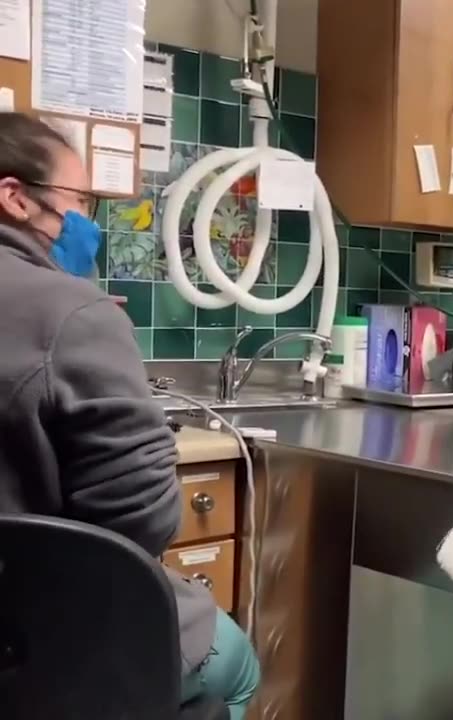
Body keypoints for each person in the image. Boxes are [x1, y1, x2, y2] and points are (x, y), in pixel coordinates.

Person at [0, 112, 261, 718]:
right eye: (79, 200)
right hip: (45, 639)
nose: (88, 222)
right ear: (14, 198)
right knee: (236, 661)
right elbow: (140, 523)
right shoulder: (71, 312)